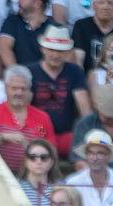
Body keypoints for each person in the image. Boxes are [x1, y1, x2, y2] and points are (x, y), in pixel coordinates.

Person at [22, 25, 89, 156]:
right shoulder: (29, 71)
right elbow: (24, 108)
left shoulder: (75, 71)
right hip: (36, 134)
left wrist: (88, 135)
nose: (55, 54)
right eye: (51, 49)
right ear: (42, 48)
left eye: (60, 50)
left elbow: (84, 108)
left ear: (68, 52)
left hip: (65, 135)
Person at [0, 66, 53, 172]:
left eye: (23, 89)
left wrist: (37, 148)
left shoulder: (41, 117)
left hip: (31, 176)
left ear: (29, 90)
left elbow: (52, 150)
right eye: (14, 88)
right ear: (5, 88)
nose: (19, 93)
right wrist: (3, 138)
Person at [64, 129, 113, 206]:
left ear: (109, 156)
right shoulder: (72, 183)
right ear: (86, 155)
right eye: (90, 153)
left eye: (100, 153)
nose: (94, 158)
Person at [67, 0, 113, 73]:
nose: (105, 7)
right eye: (101, 3)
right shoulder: (81, 26)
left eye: (110, 3)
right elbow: (79, 59)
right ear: (93, 6)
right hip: (88, 78)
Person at [17, 137, 64, 206]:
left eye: (44, 157)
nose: (38, 161)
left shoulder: (61, 187)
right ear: (26, 161)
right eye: (32, 157)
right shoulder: (16, 187)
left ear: (51, 162)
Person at [0, 0, 50, 68]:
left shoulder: (54, 27)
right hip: (19, 74)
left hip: (43, 77)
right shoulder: (12, 21)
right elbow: (4, 48)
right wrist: (17, 74)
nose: (19, 1)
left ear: (37, 4)